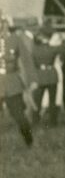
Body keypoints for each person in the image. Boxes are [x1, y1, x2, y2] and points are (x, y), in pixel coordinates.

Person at [0, 15, 37, 146]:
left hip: (11, 82)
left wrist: (33, 79)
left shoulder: (14, 39)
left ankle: (29, 142)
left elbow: (27, 60)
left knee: (20, 116)